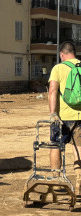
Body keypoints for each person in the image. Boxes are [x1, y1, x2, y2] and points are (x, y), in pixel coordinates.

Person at [48, 41, 81, 196]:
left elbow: (53, 90)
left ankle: (56, 182)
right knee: (79, 148)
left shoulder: (58, 68)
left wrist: (53, 113)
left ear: (62, 54)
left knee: (56, 146)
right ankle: (79, 184)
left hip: (63, 117)